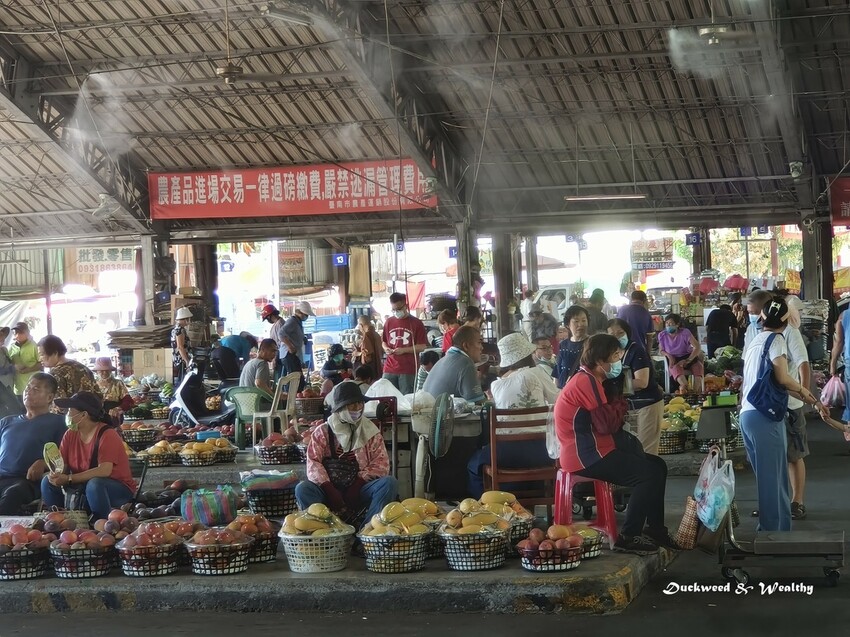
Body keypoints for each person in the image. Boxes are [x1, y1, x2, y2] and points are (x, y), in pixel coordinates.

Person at [554, 334, 679, 554]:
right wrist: (620, 401)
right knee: (647, 475)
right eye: (614, 356)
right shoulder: (587, 381)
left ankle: (655, 529)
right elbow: (607, 425)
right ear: (600, 361)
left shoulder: (592, 379)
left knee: (657, 465)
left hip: (598, 449)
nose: (618, 361)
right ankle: (628, 536)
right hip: (586, 456)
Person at [739, 297, 825, 532]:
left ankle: (779, 529)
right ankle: (772, 534)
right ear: (787, 321)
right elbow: (782, 377)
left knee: (769, 477)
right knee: (774, 478)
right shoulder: (777, 340)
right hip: (765, 416)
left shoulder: (755, 339)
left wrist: (810, 399)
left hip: (748, 414)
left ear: (762, 317)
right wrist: (805, 392)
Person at [467, 333, 558, 498]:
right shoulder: (536, 372)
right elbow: (557, 399)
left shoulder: (496, 385)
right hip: (541, 451)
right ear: (527, 354)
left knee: (474, 464)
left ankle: (491, 504)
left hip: (507, 454)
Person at [295, 382, 397, 523]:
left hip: (360, 490)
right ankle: (325, 528)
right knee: (302, 488)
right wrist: (328, 488)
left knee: (389, 483)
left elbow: (381, 463)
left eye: (360, 404)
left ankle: (369, 528)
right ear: (340, 408)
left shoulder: (370, 432)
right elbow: (313, 462)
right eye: (352, 405)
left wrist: (359, 484)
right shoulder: (323, 432)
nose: (358, 408)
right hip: (328, 491)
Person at [41, 391, 137, 520]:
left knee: (95, 484)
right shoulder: (70, 434)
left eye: (70, 411)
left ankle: (101, 523)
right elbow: (64, 465)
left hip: (115, 488)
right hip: (82, 485)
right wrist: (57, 474)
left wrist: (69, 478)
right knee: (47, 481)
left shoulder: (107, 434)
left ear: (84, 415)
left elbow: (104, 470)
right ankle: (59, 520)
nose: (67, 414)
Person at [0, 374, 65, 514]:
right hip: (2, 476)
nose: (29, 391)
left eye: (36, 389)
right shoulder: (7, 422)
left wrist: (44, 463)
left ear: (49, 397)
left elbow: (66, 456)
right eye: (28, 388)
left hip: (26, 481)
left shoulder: (59, 423)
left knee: (12, 495)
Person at [607, 319, 664, 454]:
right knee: (633, 450)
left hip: (647, 405)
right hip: (629, 408)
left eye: (620, 333)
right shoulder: (613, 354)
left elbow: (642, 382)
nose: (617, 337)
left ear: (628, 333)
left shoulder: (636, 351)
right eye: (612, 334)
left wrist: (614, 386)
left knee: (646, 450)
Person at [421, 326, 486, 402]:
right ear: (466, 346)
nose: (482, 347)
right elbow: (478, 402)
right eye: (479, 343)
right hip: (439, 409)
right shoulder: (466, 363)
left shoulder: (444, 359)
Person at [381, 293, 428, 394]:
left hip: (408, 369)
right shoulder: (389, 322)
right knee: (386, 397)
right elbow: (384, 342)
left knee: (406, 399)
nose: (396, 312)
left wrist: (404, 350)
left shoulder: (416, 323)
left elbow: (422, 346)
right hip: (389, 368)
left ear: (405, 306)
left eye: (398, 309)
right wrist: (386, 348)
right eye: (393, 309)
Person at [37, 335, 100, 410]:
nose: (39, 359)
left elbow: (58, 407)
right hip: (92, 415)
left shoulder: (55, 374)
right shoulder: (83, 368)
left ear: (55, 353)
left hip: (72, 416)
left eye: (41, 354)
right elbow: (98, 396)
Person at [658, 314, 704, 394]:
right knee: (678, 372)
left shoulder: (685, 332)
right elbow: (661, 350)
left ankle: (696, 393)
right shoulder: (662, 335)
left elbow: (697, 347)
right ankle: (685, 389)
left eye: (671, 323)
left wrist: (688, 360)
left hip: (688, 356)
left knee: (698, 368)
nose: (668, 325)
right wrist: (669, 356)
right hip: (673, 359)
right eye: (667, 323)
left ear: (677, 324)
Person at [281, 301, 315, 390]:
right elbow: (281, 334)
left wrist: (303, 338)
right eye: (306, 315)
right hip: (288, 354)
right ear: (300, 313)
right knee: (296, 379)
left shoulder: (297, 322)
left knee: (299, 379)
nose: (307, 317)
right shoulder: (292, 321)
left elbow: (294, 335)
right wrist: (290, 346)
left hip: (294, 355)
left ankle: (296, 395)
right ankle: (291, 396)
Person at [555, 305, 591, 388]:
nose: (580, 324)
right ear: (568, 324)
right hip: (565, 390)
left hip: (583, 389)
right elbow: (558, 370)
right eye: (576, 321)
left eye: (584, 320)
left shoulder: (593, 343)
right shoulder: (563, 345)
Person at [9, 322, 41, 399]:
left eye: (21, 332)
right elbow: (8, 363)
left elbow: (42, 363)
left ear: (27, 332)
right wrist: (14, 366)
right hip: (18, 389)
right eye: (16, 332)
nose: (18, 334)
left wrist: (28, 370)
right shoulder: (12, 347)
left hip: (34, 388)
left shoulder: (34, 345)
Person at [352, 315, 383, 381]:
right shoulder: (376, 334)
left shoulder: (367, 335)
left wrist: (358, 353)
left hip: (370, 371)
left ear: (361, 325)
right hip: (377, 368)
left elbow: (367, 356)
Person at [742, 289, 774, 354]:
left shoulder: (785, 331)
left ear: (766, 311)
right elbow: (746, 352)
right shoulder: (751, 328)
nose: (751, 316)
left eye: (754, 313)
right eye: (749, 312)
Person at [171, 307, 193, 383]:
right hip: (181, 360)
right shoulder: (180, 330)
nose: (189, 321)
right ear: (185, 319)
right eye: (188, 319)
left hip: (178, 359)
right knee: (183, 381)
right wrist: (187, 361)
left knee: (181, 380)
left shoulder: (175, 329)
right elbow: (180, 347)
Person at [0, 327, 15, 392]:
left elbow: (10, 363)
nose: (3, 342)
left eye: (3, 339)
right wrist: (12, 369)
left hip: (9, 385)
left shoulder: (4, 350)